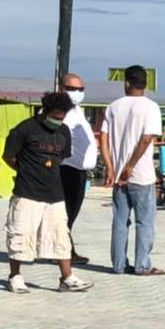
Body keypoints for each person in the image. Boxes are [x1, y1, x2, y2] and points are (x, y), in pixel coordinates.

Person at [2, 92, 94, 293]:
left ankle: (67, 278)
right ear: (45, 111)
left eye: (62, 117)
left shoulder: (64, 132)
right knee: (20, 235)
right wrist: (25, 170)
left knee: (61, 236)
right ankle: (15, 276)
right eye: (55, 117)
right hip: (27, 192)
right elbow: (8, 156)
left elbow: (62, 157)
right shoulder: (25, 129)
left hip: (55, 194)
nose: (58, 121)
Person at [101, 64, 165, 277]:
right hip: (141, 174)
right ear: (145, 84)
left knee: (120, 221)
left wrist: (111, 167)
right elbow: (146, 139)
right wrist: (130, 167)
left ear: (126, 82)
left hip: (119, 174)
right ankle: (142, 265)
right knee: (144, 221)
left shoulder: (113, 107)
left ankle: (119, 264)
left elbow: (104, 138)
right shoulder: (151, 107)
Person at [58, 70, 96, 265]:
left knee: (70, 213)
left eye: (81, 89)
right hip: (66, 168)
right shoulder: (58, 111)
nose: (77, 92)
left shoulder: (78, 110)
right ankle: (62, 251)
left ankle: (65, 249)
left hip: (79, 170)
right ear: (61, 88)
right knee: (65, 213)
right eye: (72, 89)